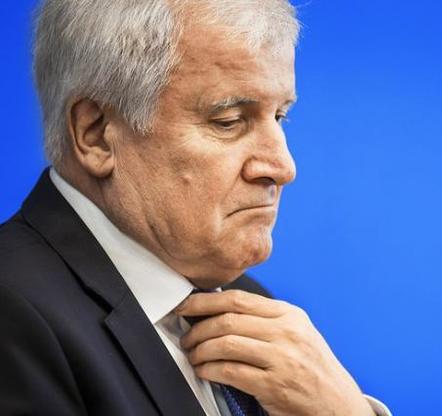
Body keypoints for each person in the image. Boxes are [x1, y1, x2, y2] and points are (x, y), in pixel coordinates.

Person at [0, 1, 392, 415]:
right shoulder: (13, 314)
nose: (283, 167)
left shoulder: (249, 307)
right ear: (95, 134)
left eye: (280, 117)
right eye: (229, 120)